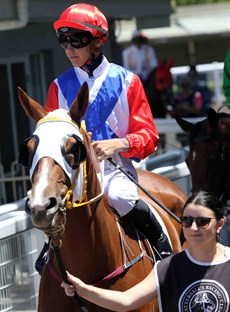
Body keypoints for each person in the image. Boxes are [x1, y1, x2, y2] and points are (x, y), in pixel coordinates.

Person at [45, 3, 173, 258]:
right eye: (63, 41)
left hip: (115, 171)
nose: (69, 48)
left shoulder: (128, 81)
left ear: (97, 41)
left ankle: (162, 246)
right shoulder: (58, 87)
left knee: (119, 197)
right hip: (74, 175)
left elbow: (149, 136)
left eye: (77, 40)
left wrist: (120, 144)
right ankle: (48, 256)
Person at [61, 191, 230, 311]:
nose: (193, 227)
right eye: (186, 220)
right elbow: (126, 301)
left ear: (220, 224)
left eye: (202, 221)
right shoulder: (167, 268)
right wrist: (83, 289)